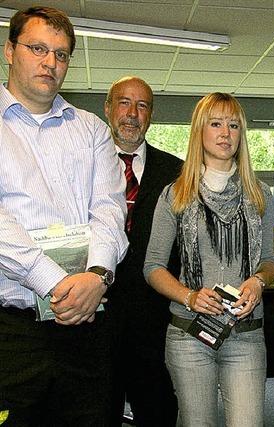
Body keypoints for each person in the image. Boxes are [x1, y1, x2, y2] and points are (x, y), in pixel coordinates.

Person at [0, 6, 128, 426]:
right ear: (9, 51)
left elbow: (109, 210)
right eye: (38, 48)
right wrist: (57, 283)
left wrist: (97, 275)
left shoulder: (91, 129)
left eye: (61, 54)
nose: (50, 62)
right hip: (12, 331)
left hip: (87, 326)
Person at [144, 92, 274, 427]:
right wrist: (189, 296)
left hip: (246, 335)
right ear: (199, 131)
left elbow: (270, 262)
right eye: (215, 123)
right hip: (188, 334)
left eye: (233, 125)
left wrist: (258, 281)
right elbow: (153, 267)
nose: (225, 133)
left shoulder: (260, 195)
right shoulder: (175, 194)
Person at [104, 76, 182, 426]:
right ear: (107, 108)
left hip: (154, 323)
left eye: (142, 105)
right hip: (94, 319)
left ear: (151, 114)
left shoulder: (177, 172)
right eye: (124, 102)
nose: (132, 113)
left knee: (158, 413)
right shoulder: (82, 164)